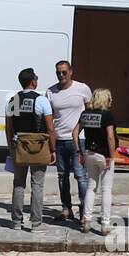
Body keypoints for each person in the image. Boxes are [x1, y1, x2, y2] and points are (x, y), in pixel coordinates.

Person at [5, 67, 55, 232]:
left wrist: (11, 148)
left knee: (18, 184)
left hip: (19, 145)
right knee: (37, 185)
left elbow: (9, 128)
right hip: (39, 146)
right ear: (33, 81)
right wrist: (53, 149)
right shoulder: (41, 101)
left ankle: (16, 222)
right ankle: (36, 223)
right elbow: (50, 128)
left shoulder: (13, 101)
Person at [46, 60, 92, 221]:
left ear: (71, 71)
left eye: (64, 72)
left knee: (81, 176)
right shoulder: (51, 92)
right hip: (59, 139)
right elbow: (49, 116)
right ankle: (66, 208)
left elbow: (90, 112)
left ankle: (84, 211)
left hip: (78, 140)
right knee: (62, 176)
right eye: (58, 72)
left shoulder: (82, 89)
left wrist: (81, 130)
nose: (61, 75)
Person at [79, 88, 118, 234]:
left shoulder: (86, 114)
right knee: (106, 189)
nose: (111, 101)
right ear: (105, 99)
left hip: (89, 153)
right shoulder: (107, 115)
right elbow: (110, 136)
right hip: (104, 155)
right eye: (110, 98)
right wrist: (111, 155)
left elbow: (75, 132)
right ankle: (105, 224)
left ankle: (86, 221)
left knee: (91, 187)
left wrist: (79, 152)